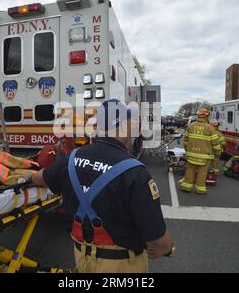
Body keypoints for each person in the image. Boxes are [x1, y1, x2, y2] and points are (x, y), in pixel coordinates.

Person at [26, 99, 174, 273]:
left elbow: (39, 178)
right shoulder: (136, 173)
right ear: (124, 126)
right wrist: (168, 249)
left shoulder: (71, 159)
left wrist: (20, 173)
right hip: (121, 266)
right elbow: (159, 244)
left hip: (82, 259)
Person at [179, 109, 221, 195]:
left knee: (190, 170)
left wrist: (187, 149)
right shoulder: (210, 128)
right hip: (204, 156)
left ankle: (186, 187)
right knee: (202, 173)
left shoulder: (191, 125)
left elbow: (185, 140)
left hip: (191, 154)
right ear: (207, 116)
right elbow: (215, 143)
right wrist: (217, 153)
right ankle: (200, 189)